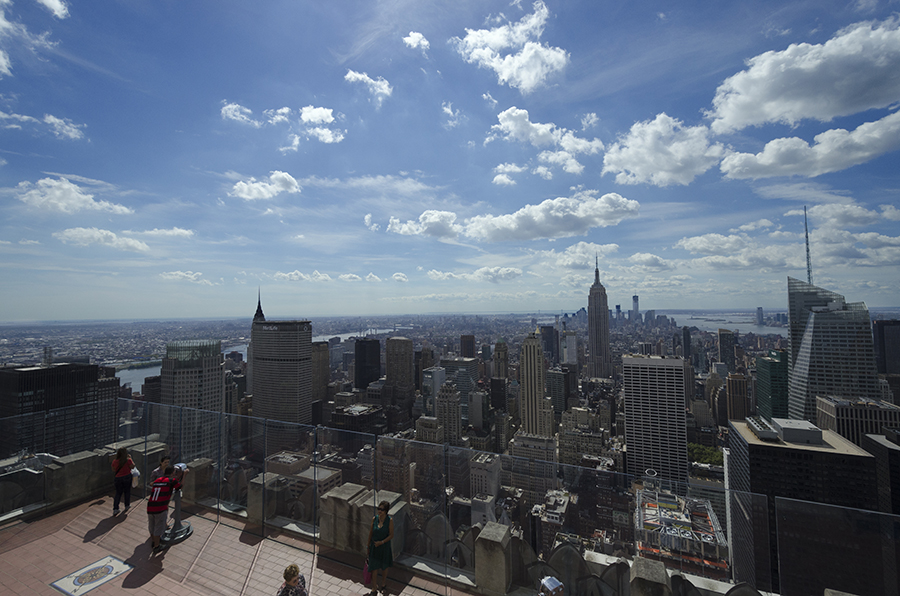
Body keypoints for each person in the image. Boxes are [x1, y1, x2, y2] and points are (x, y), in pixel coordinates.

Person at [147, 465, 183, 554]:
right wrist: (184, 474)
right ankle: (157, 546)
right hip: (160, 507)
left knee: (152, 525)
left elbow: (152, 484)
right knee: (158, 527)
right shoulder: (172, 481)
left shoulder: (158, 480)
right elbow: (180, 486)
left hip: (150, 506)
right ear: (173, 473)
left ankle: (153, 541)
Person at [366, 500, 394, 596]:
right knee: (374, 567)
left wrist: (381, 542)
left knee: (384, 566)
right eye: (378, 509)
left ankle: (383, 584)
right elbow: (371, 533)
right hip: (374, 547)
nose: (379, 511)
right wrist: (368, 546)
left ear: (386, 511)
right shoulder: (375, 519)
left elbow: (391, 535)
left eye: (381, 509)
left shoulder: (389, 520)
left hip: (384, 547)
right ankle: (374, 588)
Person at [111, 447, 135, 516]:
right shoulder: (128, 460)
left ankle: (115, 509)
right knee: (127, 491)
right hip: (127, 477)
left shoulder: (115, 461)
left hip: (118, 478)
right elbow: (133, 466)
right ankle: (127, 505)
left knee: (118, 493)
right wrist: (130, 458)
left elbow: (113, 469)